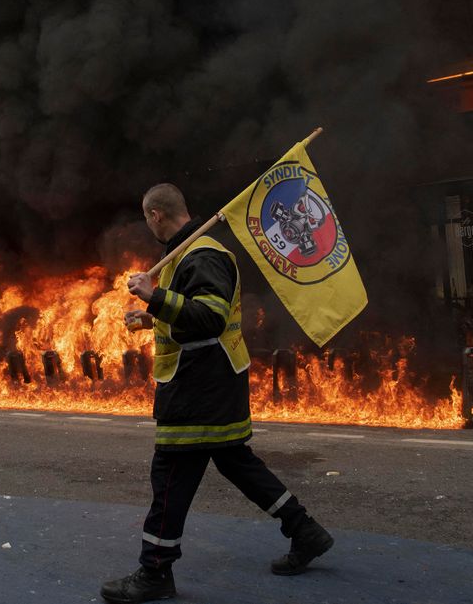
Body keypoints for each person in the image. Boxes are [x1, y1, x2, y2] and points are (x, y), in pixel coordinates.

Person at [100, 183, 333, 604]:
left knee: (169, 475)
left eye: (146, 218)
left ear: (156, 215)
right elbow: (189, 316)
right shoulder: (189, 255)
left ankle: (154, 572)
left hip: (197, 390)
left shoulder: (202, 254)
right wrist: (151, 316)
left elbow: (209, 317)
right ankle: (305, 531)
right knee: (236, 463)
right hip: (210, 384)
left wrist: (154, 296)